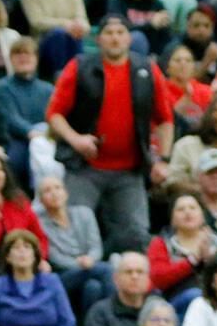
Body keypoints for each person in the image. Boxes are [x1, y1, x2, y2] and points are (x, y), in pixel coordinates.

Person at [46, 15, 173, 254]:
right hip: (83, 167)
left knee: (137, 235)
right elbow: (54, 114)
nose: (115, 38)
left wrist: (164, 160)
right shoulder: (80, 66)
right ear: (98, 39)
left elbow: (166, 119)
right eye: (109, 33)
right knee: (74, 233)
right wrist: (76, 139)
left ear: (129, 38)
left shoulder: (147, 69)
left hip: (130, 170)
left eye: (120, 33)